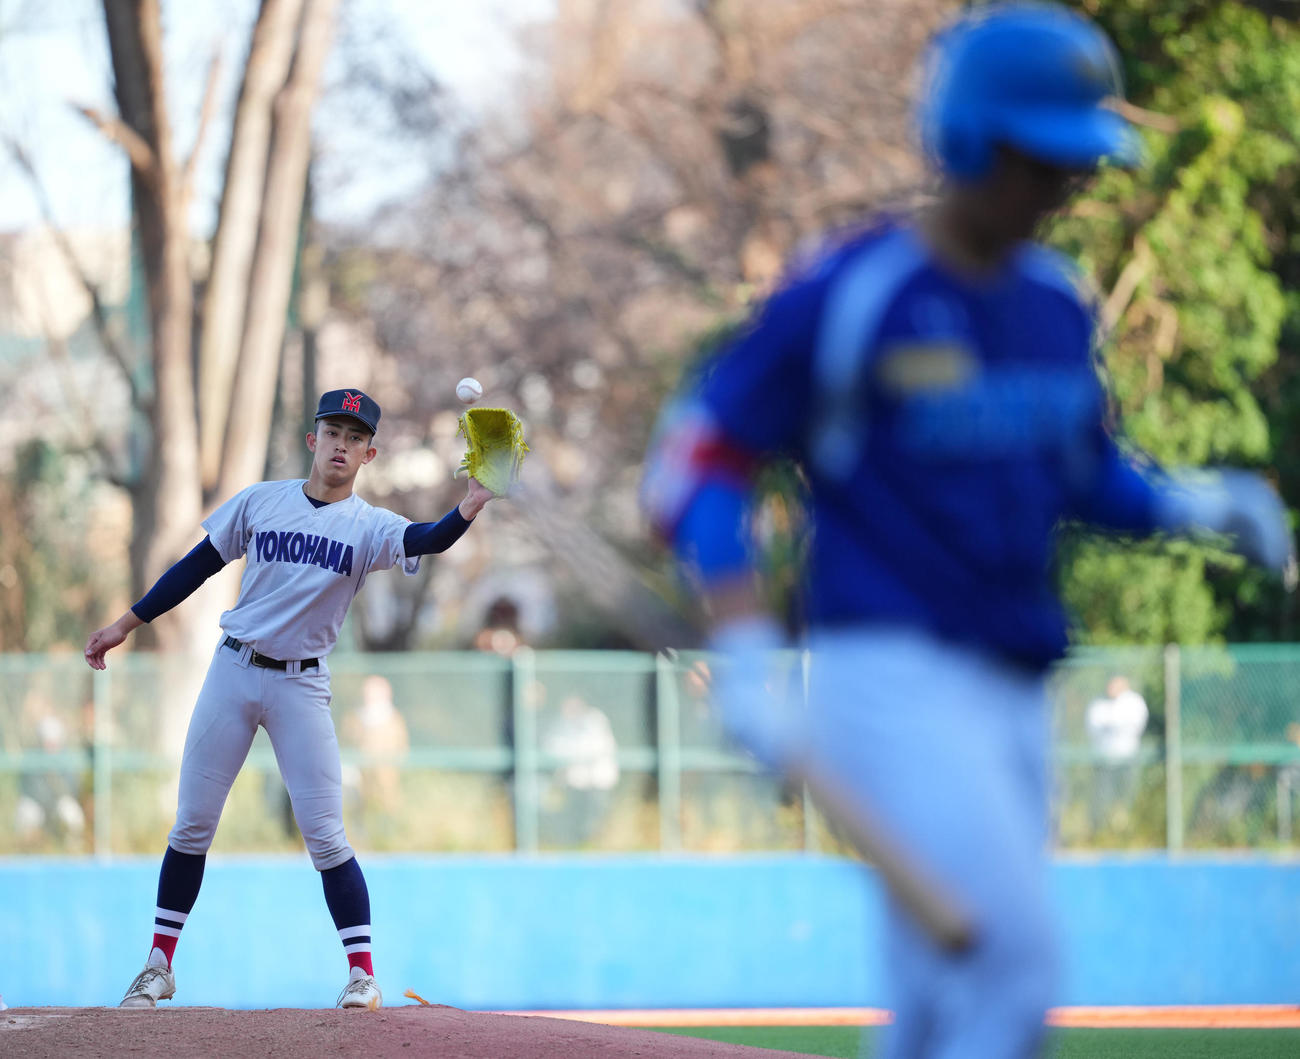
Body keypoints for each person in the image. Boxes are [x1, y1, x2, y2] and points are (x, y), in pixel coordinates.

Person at [641, 5, 1294, 1056]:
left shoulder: (1051, 301)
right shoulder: (854, 290)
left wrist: (1199, 505)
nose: (1058, 189)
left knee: (940, 1008)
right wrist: (747, 644)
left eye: (1072, 165)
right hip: (887, 676)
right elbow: (695, 465)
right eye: (1035, 162)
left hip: (1014, 683)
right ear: (965, 142)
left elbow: (1084, 480)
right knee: (1012, 965)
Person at [84, 388, 500, 1010]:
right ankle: (159, 964)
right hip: (233, 670)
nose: (341, 444)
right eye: (332, 431)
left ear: (369, 454)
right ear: (314, 439)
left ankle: (362, 975)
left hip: (301, 684)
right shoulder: (261, 501)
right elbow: (196, 566)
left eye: (355, 438)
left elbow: (431, 540)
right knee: (193, 824)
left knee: (327, 836)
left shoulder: (370, 527)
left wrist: (470, 502)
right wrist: (127, 623)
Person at [540, 694, 620, 846]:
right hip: (573, 784)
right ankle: (575, 844)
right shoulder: (561, 724)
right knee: (573, 819)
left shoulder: (596, 721)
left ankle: (593, 845)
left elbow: (597, 748)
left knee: (596, 818)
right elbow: (552, 746)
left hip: (598, 782)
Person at [1084, 674, 1149, 834]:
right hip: (1105, 760)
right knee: (1103, 796)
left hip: (1127, 758)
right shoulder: (1099, 703)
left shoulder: (1134, 702)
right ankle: (1100, 829)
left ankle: (1127, 829)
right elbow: (1094, 726)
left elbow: (1134, 725)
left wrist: (1112, 724)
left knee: (1127, 795)